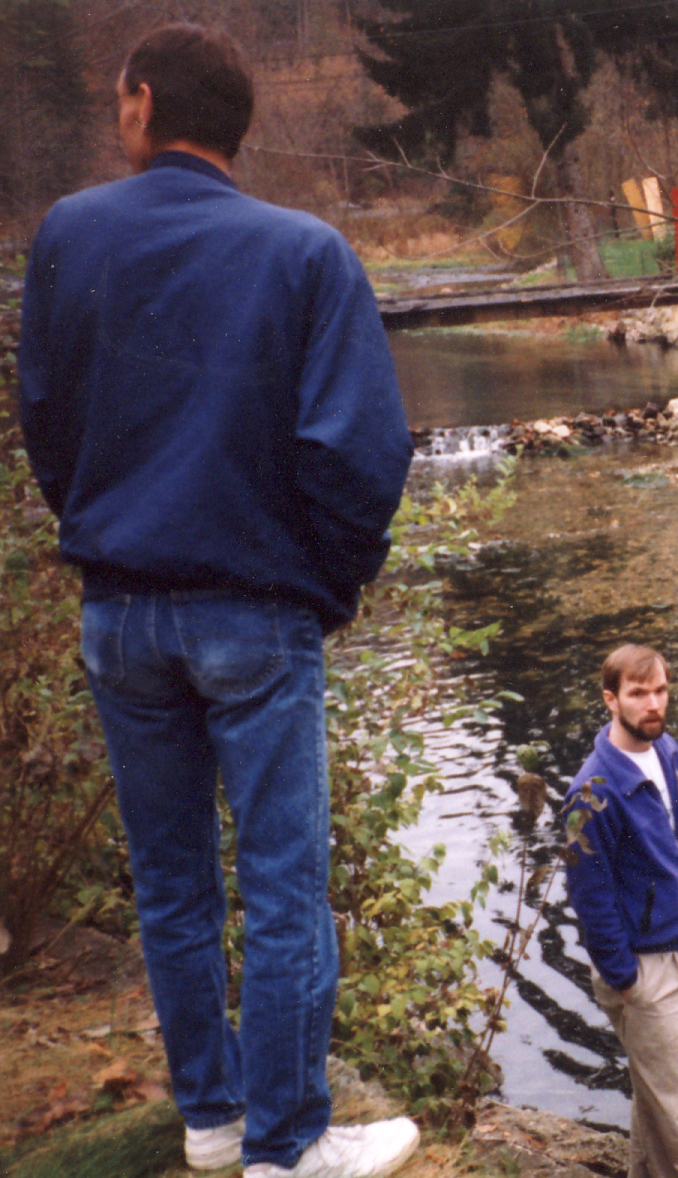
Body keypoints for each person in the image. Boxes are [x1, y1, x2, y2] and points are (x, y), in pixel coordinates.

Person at [17, 23, 419, 1178]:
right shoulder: (307, 253)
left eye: (120, 99)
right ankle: (285, 1145)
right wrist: (328, 586)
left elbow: (44, 415)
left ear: (145, 103)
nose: (118, 114)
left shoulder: (68, 233)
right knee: (283, 887)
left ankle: (214, 1116)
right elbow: (360, 454)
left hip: (120, 611)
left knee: (173, 879)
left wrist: (101, 527)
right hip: (254, 611)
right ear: (236, 124)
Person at [564, 645, 678, 1178]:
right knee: (677, 1130)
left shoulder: (666, 750)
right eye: (638, 693)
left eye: (660, 691)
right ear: (610, 700)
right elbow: (589, 900)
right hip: (645, 970)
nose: (653, 704)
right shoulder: (590, 794)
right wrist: (627, 981)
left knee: (666, 1107)